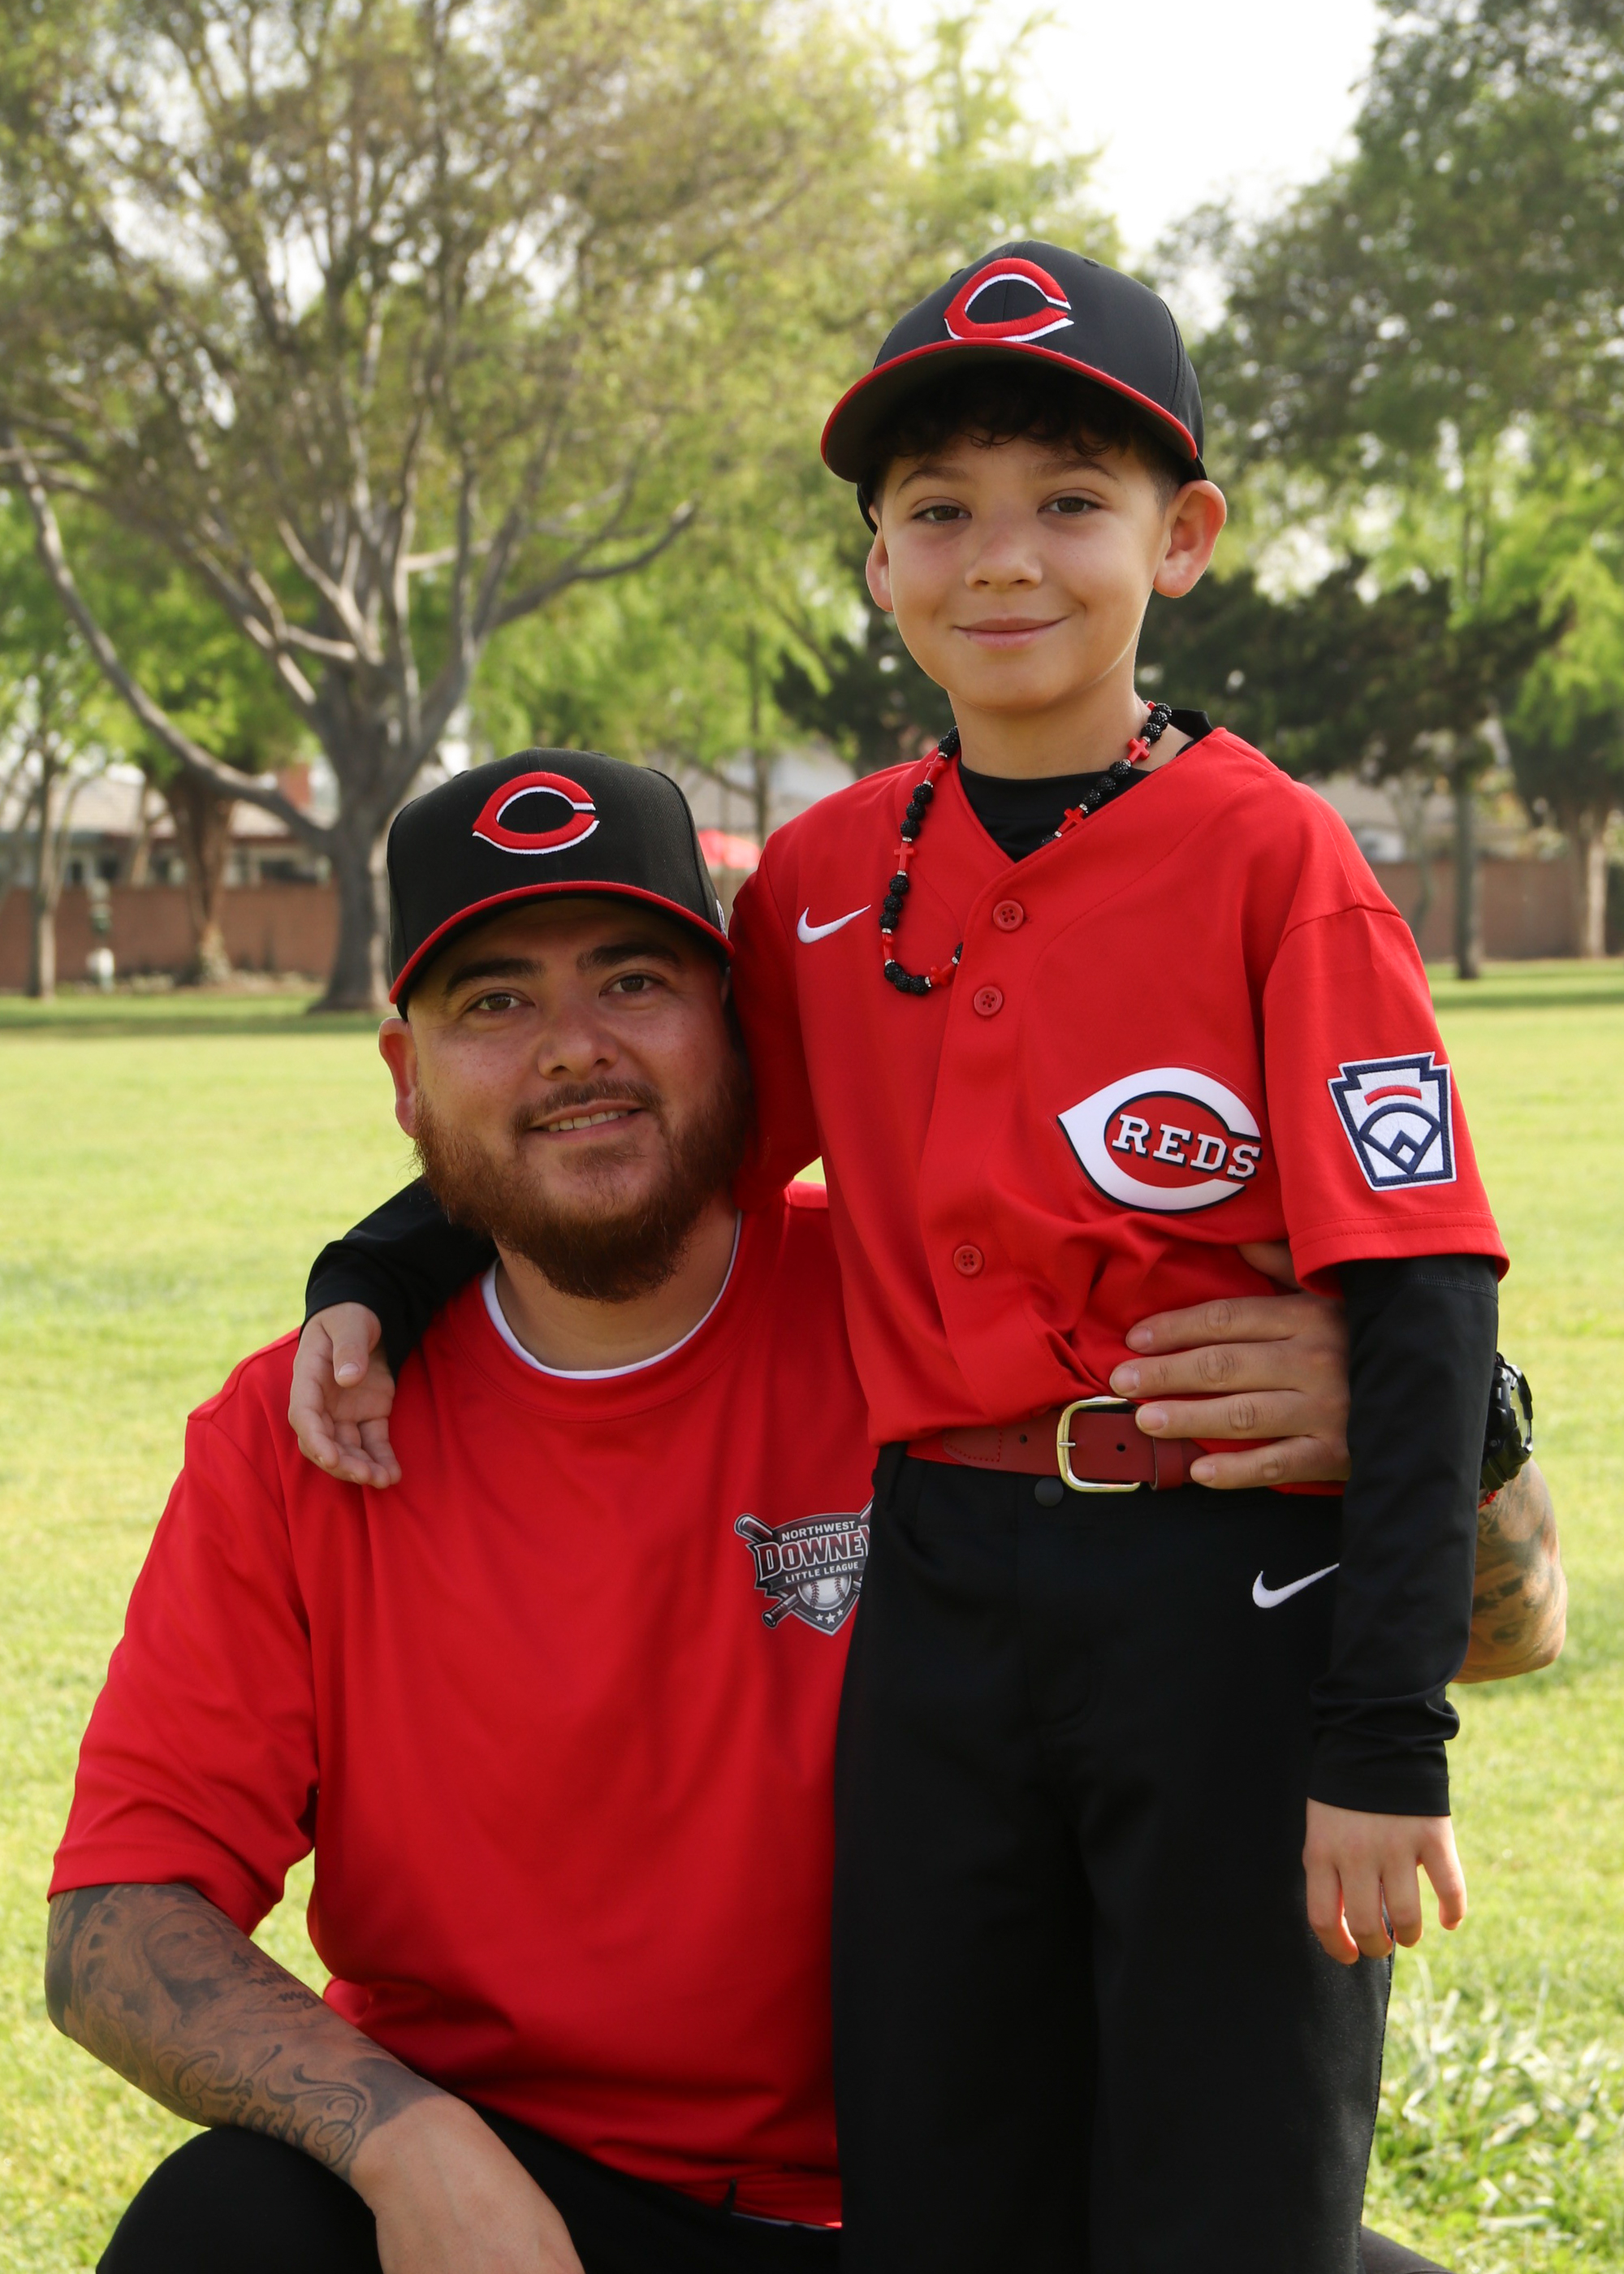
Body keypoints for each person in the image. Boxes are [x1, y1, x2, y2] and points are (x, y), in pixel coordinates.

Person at [304, 249, 1515, 2269]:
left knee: (1224, 2178)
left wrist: (1385, 1735)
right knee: (944, 2159)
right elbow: (655, 1146)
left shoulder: (1274, 855)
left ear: (1181, 538)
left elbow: (1421, 1283)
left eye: (1070, 499)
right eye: (938, 509)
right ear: (879, 564)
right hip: (938, 1590)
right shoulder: (820, 873)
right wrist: (377, 1267)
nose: (1002, 555)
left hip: (1226, 1580)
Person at [47, 759, 1562, 2274]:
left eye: (635, 981)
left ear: (745, 1025)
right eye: (494, 1003)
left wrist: (1439, 1415)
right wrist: (405, 2141)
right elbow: (116, 1916)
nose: (575, 1047)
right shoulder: (311, 1424)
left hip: (987, 2196)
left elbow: (1515, 1627)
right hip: (525, 2200)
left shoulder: (952, 1314)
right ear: (405, 1076)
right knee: (224, 2231)